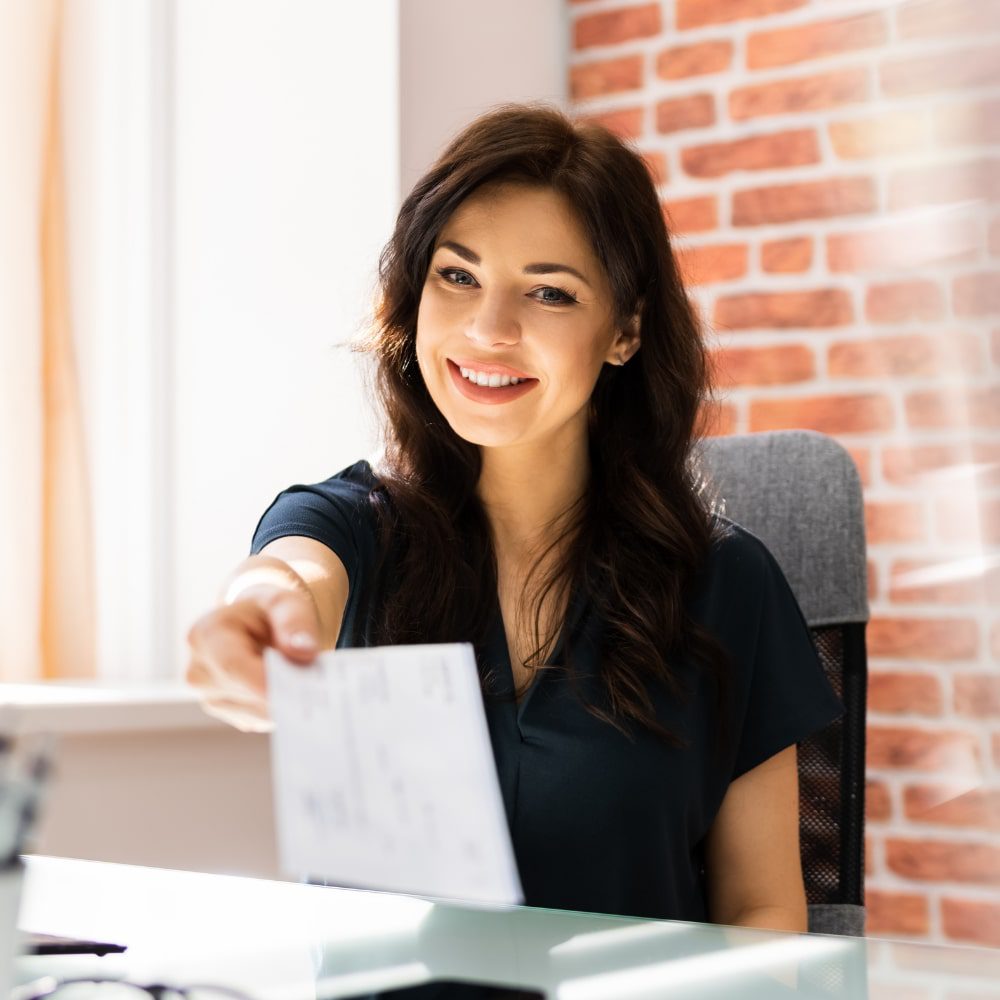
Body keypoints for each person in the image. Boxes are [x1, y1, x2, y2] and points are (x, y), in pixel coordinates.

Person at [186, 103, 842, 931]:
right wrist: (255, 612)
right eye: (456, 276)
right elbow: (290, 574)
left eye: (549, 293)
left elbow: (762, 907)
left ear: (625, 330)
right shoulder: (350, 525)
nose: (489, 330)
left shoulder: (726, 583)